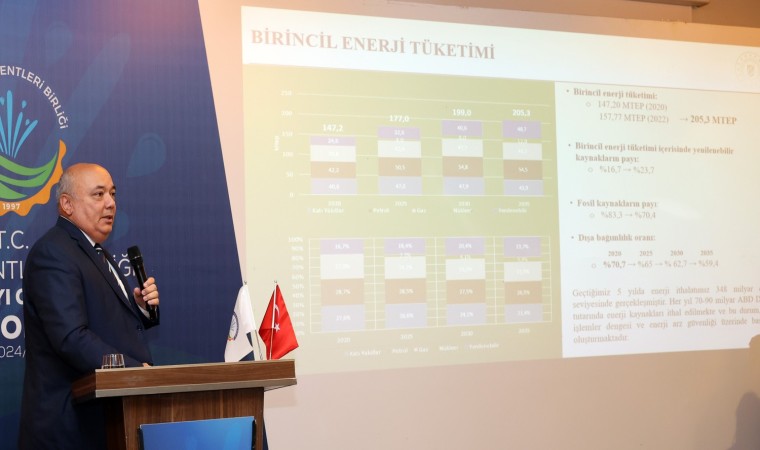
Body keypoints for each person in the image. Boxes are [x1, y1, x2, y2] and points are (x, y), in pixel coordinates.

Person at [18, 162, 160, 450]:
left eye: (113, 194)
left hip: (106, 422)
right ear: (67, 204)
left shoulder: (94, 251)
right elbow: (71, 337)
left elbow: (103, 322)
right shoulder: (54, 252)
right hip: (69, 430)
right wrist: (137, 371)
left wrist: (140, 310)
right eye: (98, 194)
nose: (110, 203)